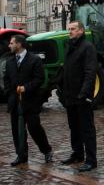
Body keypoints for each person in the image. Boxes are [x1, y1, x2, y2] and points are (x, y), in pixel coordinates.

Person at [4, 34, 52, 166]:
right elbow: (6, 80)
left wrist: (26, 88)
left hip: (31, 102)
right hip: (15, 102)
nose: (9, 45)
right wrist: (10, 93)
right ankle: (21, 155)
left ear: (19, 44)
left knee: (34, 128)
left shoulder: (35, 60)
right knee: (17, 130)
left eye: (11, 43)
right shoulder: (9, 62)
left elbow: (39, 79)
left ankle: (47, 150)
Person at [60, 20, 98, 172]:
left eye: (73, 29)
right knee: (74, 127)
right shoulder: (71, 46)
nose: (70, 31)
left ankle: (91, 160)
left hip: (82, 96)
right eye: (69, 29)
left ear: (81, 31)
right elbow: (67, 70)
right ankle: (77, 153)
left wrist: (84, 93)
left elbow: (90, 72)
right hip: (70, 95)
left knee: (87, 129)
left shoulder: (87, 47)